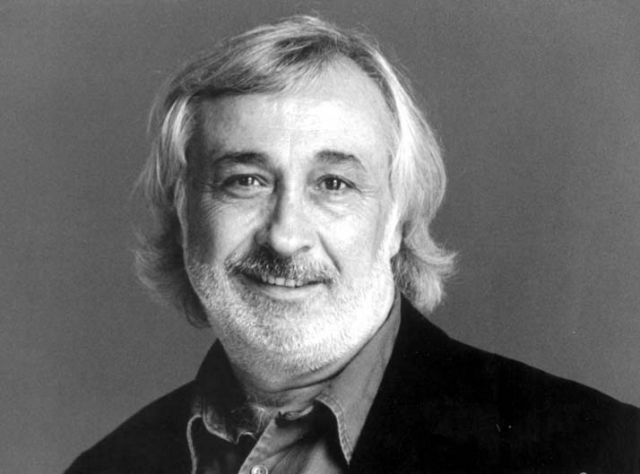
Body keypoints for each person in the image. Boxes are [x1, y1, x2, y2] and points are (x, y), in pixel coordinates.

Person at [65, 15, 640, 474]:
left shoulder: (599, 450)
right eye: (246, 181)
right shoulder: (107, 466)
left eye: (333, 184)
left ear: (397, 221)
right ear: (182, 209)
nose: (285, 236)